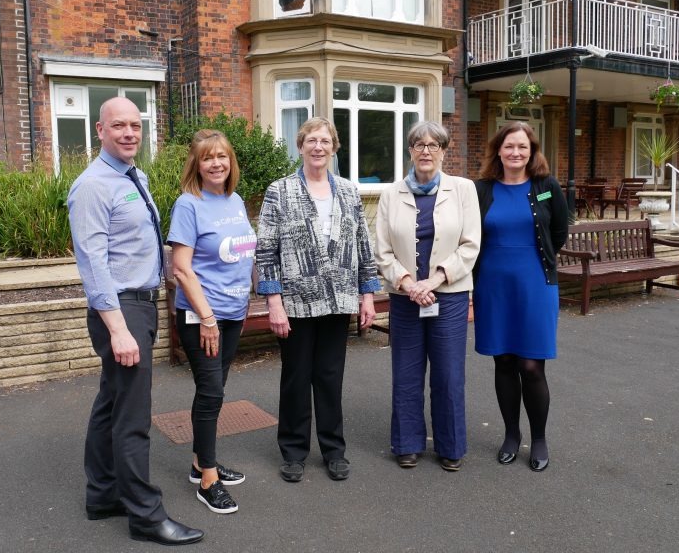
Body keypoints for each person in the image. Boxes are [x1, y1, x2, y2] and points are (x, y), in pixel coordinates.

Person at [67, 96, 204, 545]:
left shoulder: (134, 176)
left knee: (111, 401)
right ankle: (146, 515)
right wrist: (119, 328)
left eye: (135, 125)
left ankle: (102, 493)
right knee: (133, 416)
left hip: (140, 303)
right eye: (119, 126)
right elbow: (94, 264)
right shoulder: (92, 186)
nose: (129, 133)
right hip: (121, 309)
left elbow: (140, 246)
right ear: (99, 132)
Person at [256, 116, 381, 483]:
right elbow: (266, 251)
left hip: (338, 298)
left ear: (333, 147)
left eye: (325, 140)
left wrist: (367, 295)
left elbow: (362, 245)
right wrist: (274, 302)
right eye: (311, 140)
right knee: (296, 377)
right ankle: (294, 451)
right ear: (300, 146)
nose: (318, 147)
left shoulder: (348, 191)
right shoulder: (279, 191)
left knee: (330, 377)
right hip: (295, 302)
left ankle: (333, 450)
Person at [374, 120, 481, 472]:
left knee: (449, 375)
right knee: (406, 373)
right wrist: (408, 284)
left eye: (434, 145)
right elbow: (383, 251)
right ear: (410, 151)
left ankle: (450, 446)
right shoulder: (391, 194)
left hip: (447, 297)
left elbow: (470, 245)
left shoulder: (463, 190)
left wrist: (433, 280)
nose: (426, 151)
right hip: (405, 298)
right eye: (418, 144)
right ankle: (407, 443)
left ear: (444, 152)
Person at [167, 129, 255, 514]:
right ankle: (208, 479)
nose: (216, 163)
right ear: (196, 165)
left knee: (215, 389)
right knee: (211, 392)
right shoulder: (189, 204)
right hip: (202, 315)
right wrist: (206, 318)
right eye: (208, 157)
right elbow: (181, 269)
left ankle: (199, 460)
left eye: (222, 156)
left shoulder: (234, 199)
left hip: (233, 313)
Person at [473, 121, 568, 473]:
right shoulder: (481, 189)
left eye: (523, 147)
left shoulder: (547, 186)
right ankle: (511, 435)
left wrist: (533, 257)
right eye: (509, 146)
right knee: (504, 361)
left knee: (531, 365)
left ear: (532, 152)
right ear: (498, 150)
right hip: (493, 285)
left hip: (535, 283)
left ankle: (539, 438)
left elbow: (559, 231)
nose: (516, 152)